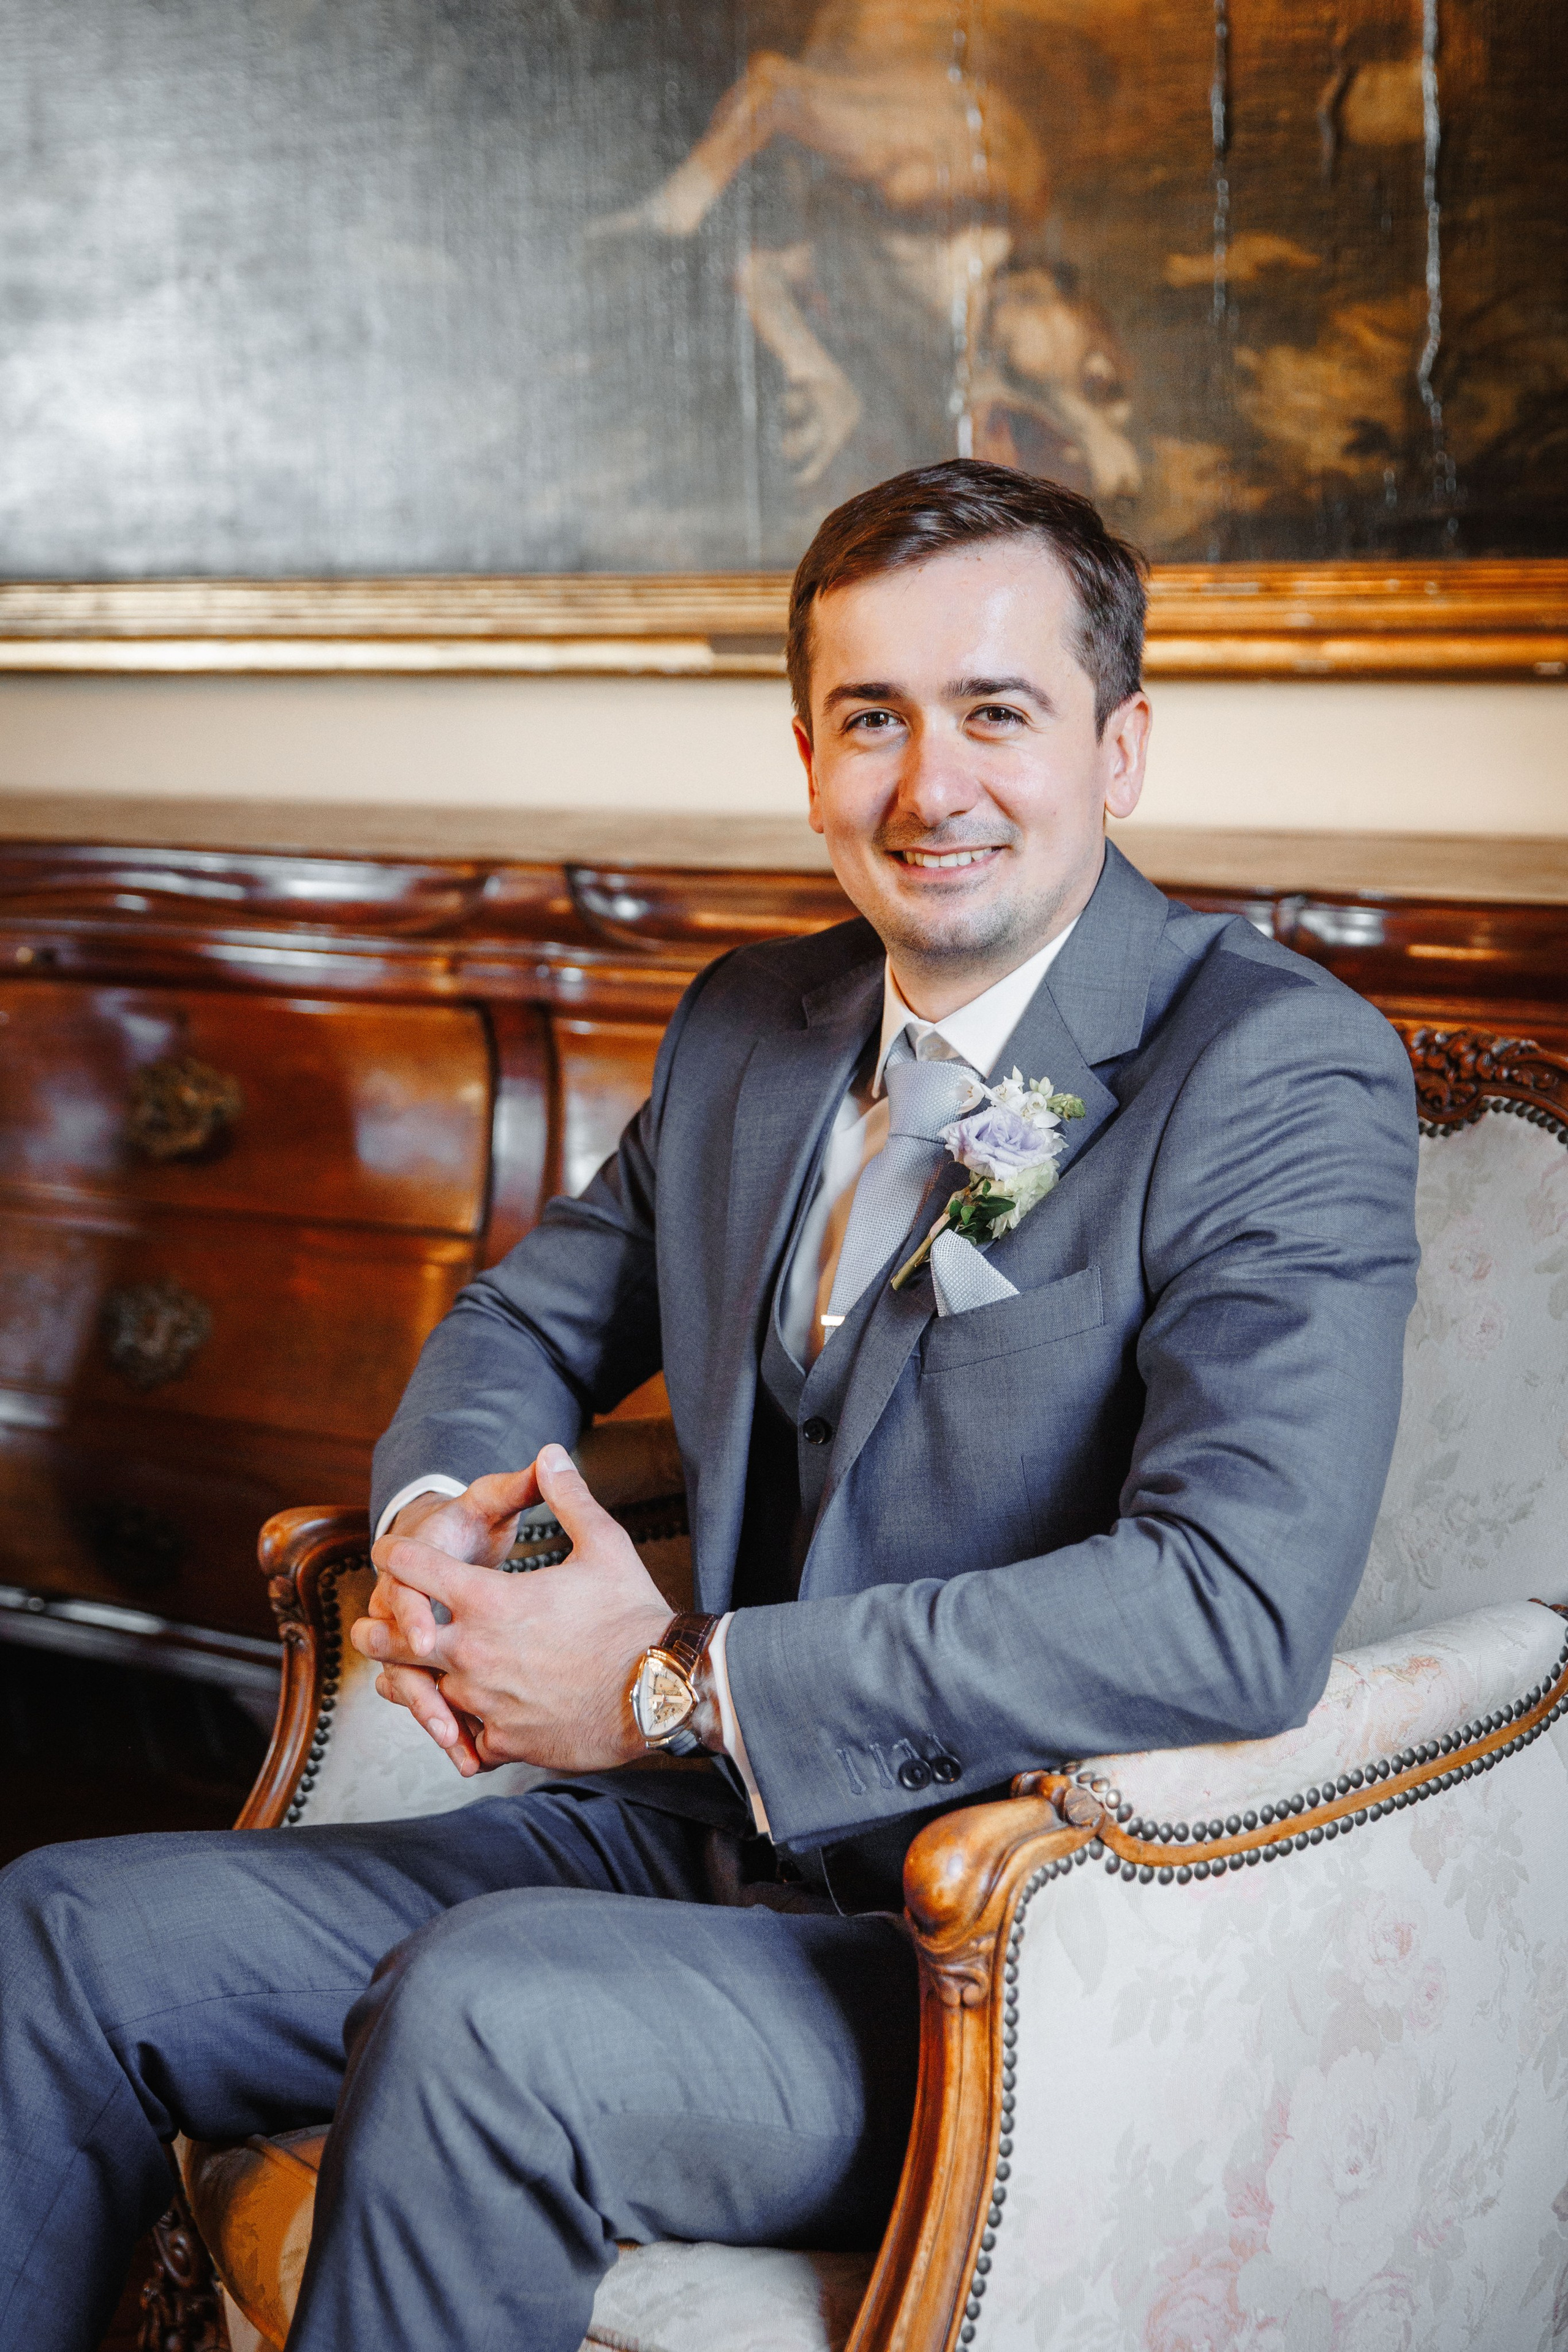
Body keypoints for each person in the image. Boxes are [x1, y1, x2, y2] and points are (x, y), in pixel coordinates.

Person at [0, 461, 1420, 2352]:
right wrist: (444, 1539)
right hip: (684, 1835)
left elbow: (1232, 1610)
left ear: (1122, 745)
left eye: (999, 712)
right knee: (53, 1942)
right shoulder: (755, 1025)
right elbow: (523, 1318)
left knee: (485, 2008)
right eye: (871, 721)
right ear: (810, 753)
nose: (934, 787)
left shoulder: (1275, 1072)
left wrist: (681, 1682)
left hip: (992, 1932)